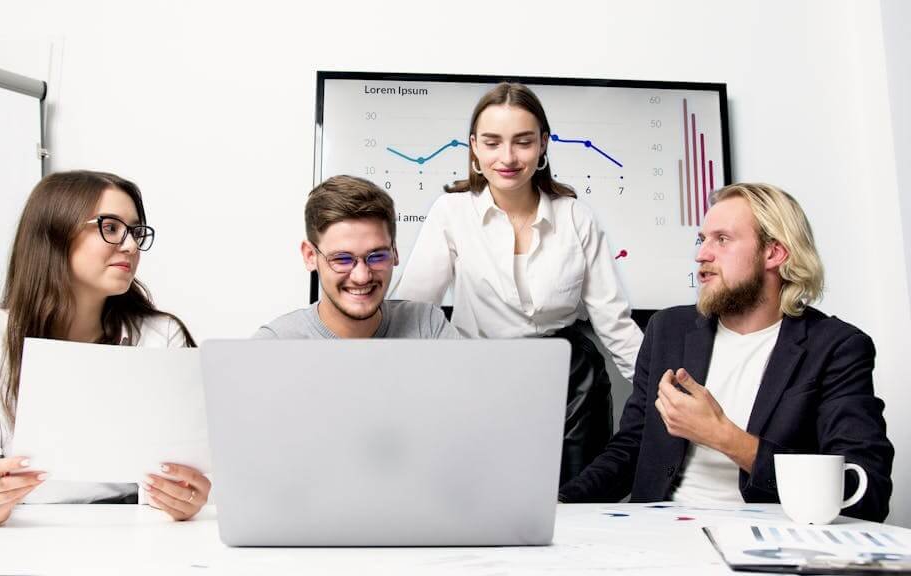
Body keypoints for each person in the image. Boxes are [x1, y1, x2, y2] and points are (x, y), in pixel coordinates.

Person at [562, 183, 894, 522]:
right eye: (702, 239)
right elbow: (631, 448)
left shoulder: (836, 347)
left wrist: (723, 436)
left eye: (722, 240)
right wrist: (559, 504)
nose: (702, 254)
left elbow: (866, 493)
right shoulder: (668, 329)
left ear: (774, 253)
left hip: (765, 539)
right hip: (660, 535)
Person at [393, 82, 643, 483]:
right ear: (474, 146)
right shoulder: (452, 212)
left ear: (543, 144)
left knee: (577, 512)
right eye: (492, 142)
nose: (507, 157)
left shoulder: (576, 216)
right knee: (478, 502)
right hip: (477, 380)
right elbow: (412, 311)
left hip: (570, 388)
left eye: (523, 142)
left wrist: (669, 395)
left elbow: (614, 323)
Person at [0, 170, 211, 524]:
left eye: (135, 231)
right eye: (110, 228)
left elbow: (188, 465)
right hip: (17, 529)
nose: (130, 245)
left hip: (133, 529)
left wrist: (188, 495)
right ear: (55, 233)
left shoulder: (161, 335)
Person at [256, 175, 458, 339]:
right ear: (310, 256)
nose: (362, 277)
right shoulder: (276, 344)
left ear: (395, 252)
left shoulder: (427, 327)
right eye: (342, 259)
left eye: (377, 256)